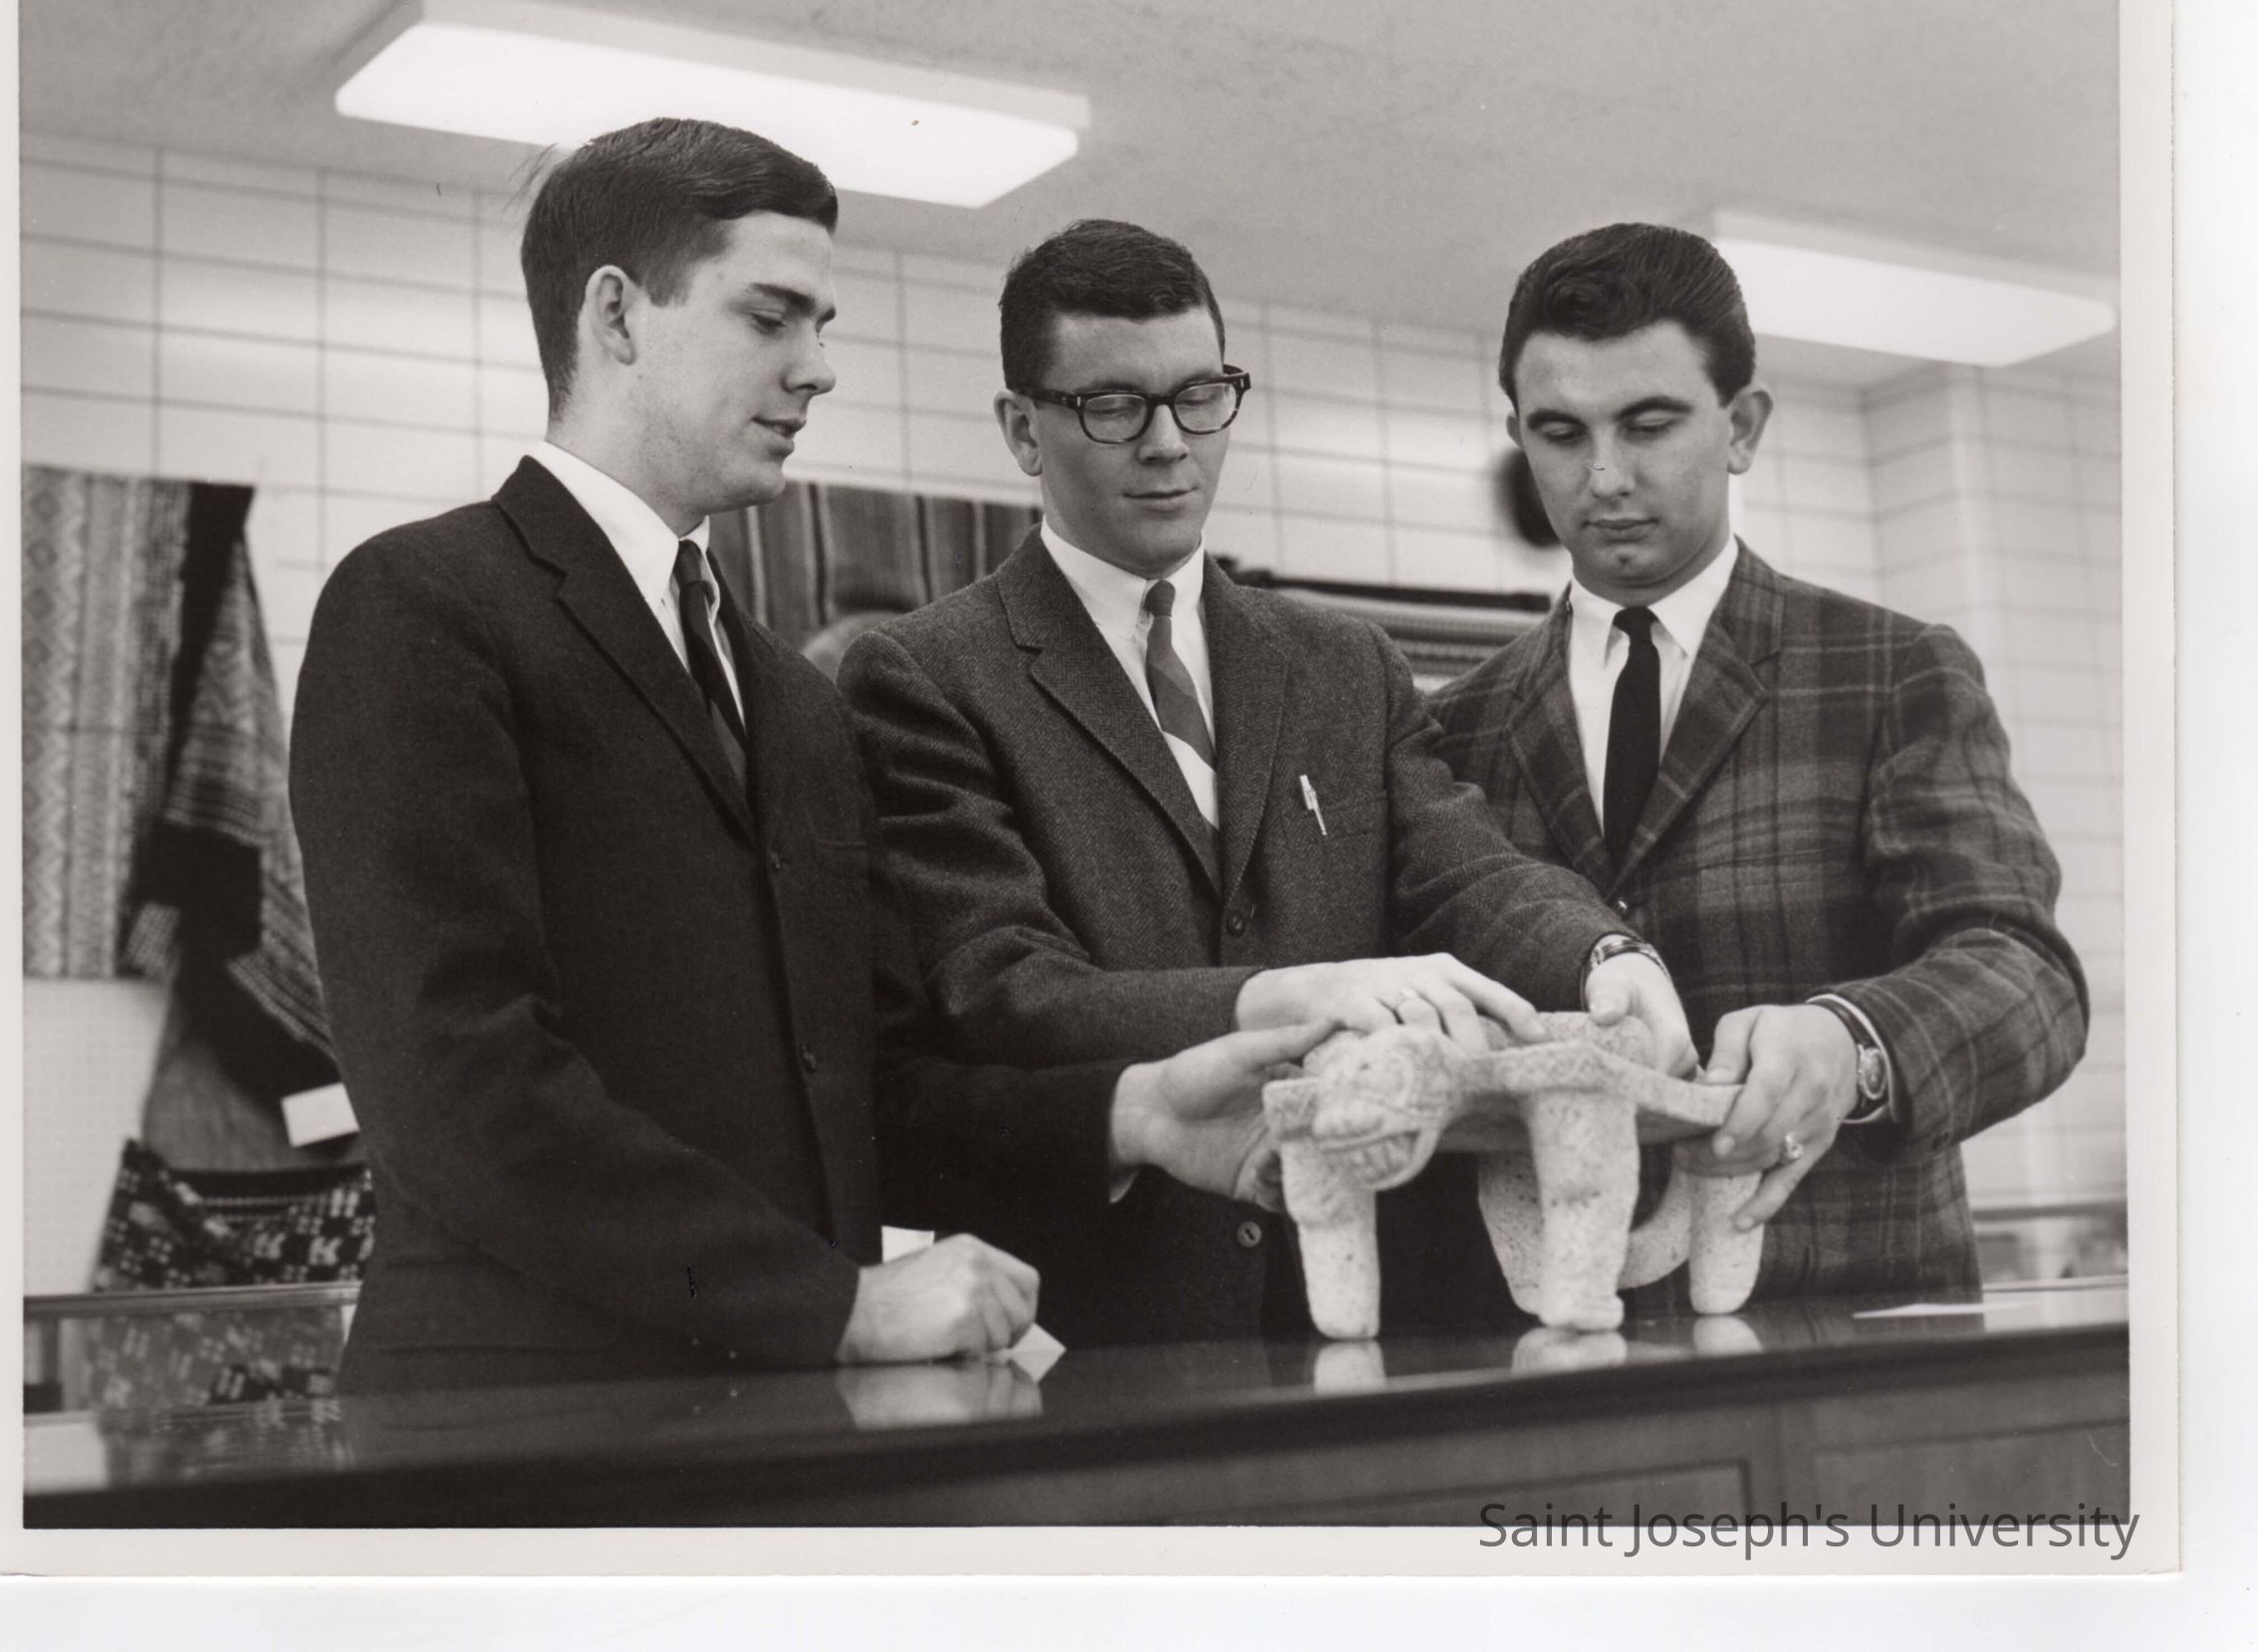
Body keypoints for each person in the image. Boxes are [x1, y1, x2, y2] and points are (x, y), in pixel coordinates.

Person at [288, 122, 1326, 1394]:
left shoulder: (791, 698)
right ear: (615, 315)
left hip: (774, 1420)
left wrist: (1134, 1113)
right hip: (522, 1426)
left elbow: (863, 1091)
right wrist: (833, 1303)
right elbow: (456, 1087)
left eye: (821, 325)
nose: (818, 369)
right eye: (770, 317)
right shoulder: (426, 606)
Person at [838, 218, 1690, 1346]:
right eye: (1114, 405)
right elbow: (1001, 988)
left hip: (1383, 1311)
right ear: (1022, 429)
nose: (1168, 444)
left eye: (1201, 396)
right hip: (1116, 1330)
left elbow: (1465, 870)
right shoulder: (928, 674)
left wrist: (1605, 957)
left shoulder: (1344, 663)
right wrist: (1279, 995)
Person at [1429, 221, 2088, 1299]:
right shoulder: (1454, 726)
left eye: (1649, 424)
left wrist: (1853, 1044)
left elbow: (2026, 975)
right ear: (1520, 437)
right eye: (1560, 432)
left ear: (1740, 427)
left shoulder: (1888, 669)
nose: (1604, 476)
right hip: (1545, 1334)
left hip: (1845, 1324)